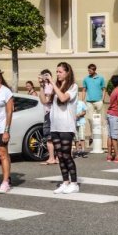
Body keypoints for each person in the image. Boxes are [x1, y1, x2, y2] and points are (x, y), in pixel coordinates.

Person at [49, 62, 80, 195]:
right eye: (56, 72)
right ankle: (65, 181)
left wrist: (53, 84)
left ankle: (74, 183)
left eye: (60, 72)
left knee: (67, 155)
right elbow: (45, 101)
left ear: (67, 72)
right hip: (55, 126)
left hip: (66, 126)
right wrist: (42, 86)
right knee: (60, 155)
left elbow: (63, 98)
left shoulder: (73, 86)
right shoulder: (57, 86)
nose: (57, 74)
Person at [82, 63, 106, 149]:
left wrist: (103, 99)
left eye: (90, 70)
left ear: (94, 70)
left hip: (98, 101)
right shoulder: (86, 79)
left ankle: (99, 139)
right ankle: (93, 136)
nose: (88, 71)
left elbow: (103, 89)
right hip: (89, 102)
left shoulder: (101, 78)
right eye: (88, 70)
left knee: (99, 120)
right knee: (90, 118)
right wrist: (82, 101)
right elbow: (84, 90)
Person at [37, 69, 57, 165]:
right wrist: (41, 86)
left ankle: (55, 158)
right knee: (48, 137)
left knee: (52, 136)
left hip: (52, 113)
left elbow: (46, 101)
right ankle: (52, 157)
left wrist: (46, 95)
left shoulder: (52, 86)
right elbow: (42, 100)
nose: (44, 78)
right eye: (42, 76)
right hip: (46, 112)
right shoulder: (44, 87)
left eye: (46, 75)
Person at [105, 75, 118, 162]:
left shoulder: (113, 91)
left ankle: (109, 155)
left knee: (110, 135)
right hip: (115, 115)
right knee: (115, 136)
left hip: (109, 114)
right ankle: (117, 156)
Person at [74, 87, 88, 158]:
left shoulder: (81, 103)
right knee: (76, 138)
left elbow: (84, 111)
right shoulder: (71, 104)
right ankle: (77, 151)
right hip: (74, 123)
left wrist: (79, 114)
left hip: (81, 122)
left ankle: (83, 151)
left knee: (82, 137)